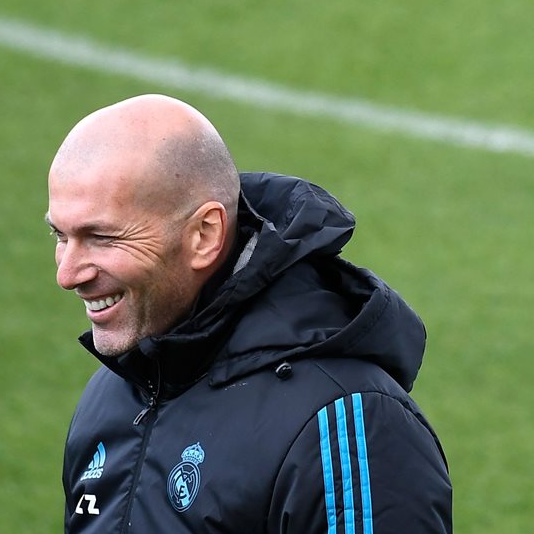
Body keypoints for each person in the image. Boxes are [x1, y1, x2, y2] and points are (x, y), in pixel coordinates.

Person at [48, 94, 451, 532]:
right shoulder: (113, 395)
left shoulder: (348, 431)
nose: (67, 274)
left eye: (102, 237)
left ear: (204, 234)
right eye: (60, 235)